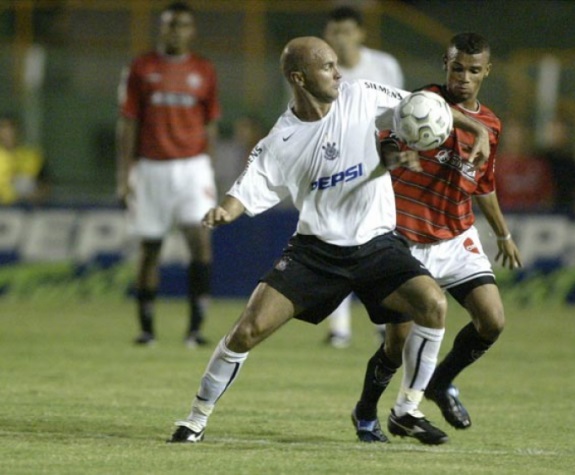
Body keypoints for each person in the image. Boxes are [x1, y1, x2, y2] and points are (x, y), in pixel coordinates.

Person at [168, 36, 492, 446]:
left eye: (337, 64)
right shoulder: (280, 140)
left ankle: (407, 409)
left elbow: (421, 105)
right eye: (327, 67)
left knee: (432, 304)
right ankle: (195, 419)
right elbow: (244, 190)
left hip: (378, 246)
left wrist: (476, 127)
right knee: (246, 331)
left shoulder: (361, 94)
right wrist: (223, 212)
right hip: (316, 254)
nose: (339, 73)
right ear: (299, 78)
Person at [350, 32, 522, 443]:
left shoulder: (491, 125)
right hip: (403, 239)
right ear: (445, 64)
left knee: (492, 320)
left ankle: (438, 384)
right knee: (397, 344)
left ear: (487, 72)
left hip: (455, 235)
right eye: (457, 67)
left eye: (474, 70)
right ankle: (365, 411)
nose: (464, 77)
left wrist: (503, 234)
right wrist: (398, 157)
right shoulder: (417, 104)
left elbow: (484, 184)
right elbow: (382, 150)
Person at [116, 1, 220, 347]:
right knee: (150, 247)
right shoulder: (141, 67)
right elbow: (128, 123)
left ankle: (195, 329)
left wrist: (209, 168)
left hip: (192, 167)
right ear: (161, 28)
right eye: (170, 24)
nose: (176, 31)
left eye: (183, 25)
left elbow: (211, 124)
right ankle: (147, 330)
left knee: (200, 242)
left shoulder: (204, 70)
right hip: (150, 167)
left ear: (192, 31)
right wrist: (124, 175)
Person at [322, 5, 405, 348]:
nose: (341, 38)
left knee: (379, 244)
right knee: (334, 243)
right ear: (328, 35)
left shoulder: (384, 66)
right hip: (335, 166)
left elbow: (400, 113)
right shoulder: (318, 67)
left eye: (347, 31)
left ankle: (384, 321)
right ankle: (338, 328)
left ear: (360, 33)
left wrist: (395, 155)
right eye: (335, 31)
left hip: (378, 167)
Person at [494, 117, 555, 212]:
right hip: (505, 216)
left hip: (534, 218)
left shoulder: (538, 166)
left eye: (520, 132)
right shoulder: (496, 166)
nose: (517, 137)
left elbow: (547, 196)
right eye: (512, 133)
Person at [537, 114, 575, 215]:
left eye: (561, 132)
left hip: (565, 210)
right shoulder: (539, 159)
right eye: (555, 132)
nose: (558, 135)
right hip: (541, 211)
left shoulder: (571, 163)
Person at [0, 113, 50, 206]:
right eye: (4, 128)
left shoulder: (32, 156)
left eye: (12, 128)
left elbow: (45, 185)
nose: (9, 132)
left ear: (19, 130)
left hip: (28, 211)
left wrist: (36, 195)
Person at [213, 115, 266, 196]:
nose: (241, 132)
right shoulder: (228, 154)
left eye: (246, 128)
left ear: (256, 132)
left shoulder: (266, 155)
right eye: (239, 129)